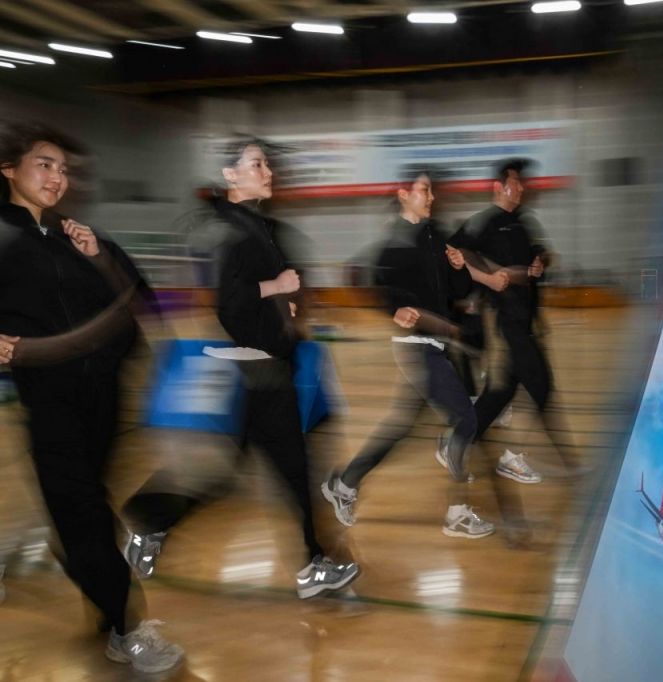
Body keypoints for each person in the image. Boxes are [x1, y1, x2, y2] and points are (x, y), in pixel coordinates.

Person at [120, 138, 359, 599]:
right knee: (292, 470)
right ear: (231, 174)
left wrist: (288, 305)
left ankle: (148, 520)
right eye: (256, 164)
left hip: (265, 370)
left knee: (235, 474)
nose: (268, 171)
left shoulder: (257, 226)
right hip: (256, 373)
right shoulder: (229, 231)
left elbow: (261, 293)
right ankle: (311, 566)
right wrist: (278, 287)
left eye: (267, 163)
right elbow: (229, 303)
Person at [0, 121, 184, 673]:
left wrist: (100, 255)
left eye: (62, 169)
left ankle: (97, 589)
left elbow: (140, 300)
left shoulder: (80, 235)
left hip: (105, 397)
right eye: (44, 164)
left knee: (87, 511)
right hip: (49, 398)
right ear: (8, 169)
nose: (57, 177)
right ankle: (127, 627)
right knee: (82, 512)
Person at [321, 170, 495, 539]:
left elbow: (455, 293)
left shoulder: (436, 238)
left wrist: (459, 269)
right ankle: (457, 514)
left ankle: (345, 483)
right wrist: (394, 309)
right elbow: (375, 283)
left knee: (401, 427)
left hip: (437, 345)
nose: (431, 197)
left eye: (431, 191)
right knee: (466, 420)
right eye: (424, 190)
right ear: (404, 194)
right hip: (417, 347)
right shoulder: (395, 244)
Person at [452, 158, 585, 483]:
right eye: (516, 183)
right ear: (499, 187)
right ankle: (552, 461)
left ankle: (456, 443)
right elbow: (453, 252)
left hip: (526, 322)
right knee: (542, 387)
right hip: (505, 324)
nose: (522, 188)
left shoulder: (523, 222)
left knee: (499, 395)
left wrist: (540, 262)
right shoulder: (485, 223)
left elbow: (543, 253)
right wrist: (486, 277)